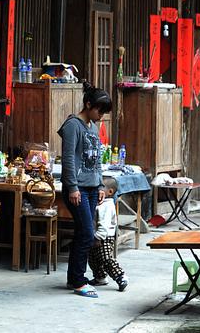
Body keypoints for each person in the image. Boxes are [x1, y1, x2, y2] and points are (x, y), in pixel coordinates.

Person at [57, 81, 112, 298]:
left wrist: (100, 184)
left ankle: (74, 278)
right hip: (76, 189)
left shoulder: (94, 127)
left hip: (91, 188)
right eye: (100, 110)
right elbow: (69, 159)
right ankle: (79, 281)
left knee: (83, 233)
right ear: (88, 104)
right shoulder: (72, 125)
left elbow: (97, 160)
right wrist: (72, 187)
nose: (101, 116)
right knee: (88, 233)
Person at [88, 175, 128, 291]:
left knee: (105, 258)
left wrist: (98, 237)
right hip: (95, 235)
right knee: (93, 259)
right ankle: (100, 277)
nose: (97, 190)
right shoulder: (99, 203)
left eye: (101, 187)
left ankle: (120, 276)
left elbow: (104, 224)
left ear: (110, 192)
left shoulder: (107, 205)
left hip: (104, 237)